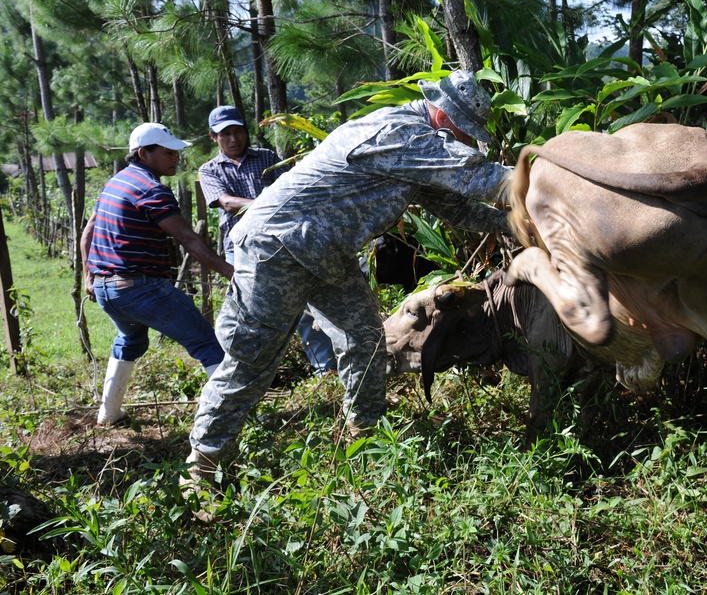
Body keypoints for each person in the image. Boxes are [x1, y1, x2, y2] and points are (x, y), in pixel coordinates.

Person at [184, 70, 511, 481]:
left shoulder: (416, 148)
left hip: (325, 253)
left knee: (364, 341)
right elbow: (481, 179)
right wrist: (550, 184)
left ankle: (365, 438)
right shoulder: (400, 133)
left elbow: (458, 208)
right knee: (253, 359)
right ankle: (202, 466)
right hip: (278, 249)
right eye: (466, 133)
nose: (466, 141)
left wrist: (516, 226)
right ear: (446, 119)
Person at [82, 122, 234, 427]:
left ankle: (108, 414)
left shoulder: (115, 183)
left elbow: (87, 232)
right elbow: (189, 239)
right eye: (168, 152)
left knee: (130, 340)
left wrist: (89, 277)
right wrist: (234, 273)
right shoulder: (151, 190)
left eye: (175, 152)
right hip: (140, 289)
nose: (175, 158)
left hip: (105, 289)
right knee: (208, 344)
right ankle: (228, 421)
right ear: (143, 153)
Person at [198, 105, 337, 377]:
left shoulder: (266, 157)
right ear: (213, 137)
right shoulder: (210, 170)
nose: (233, 139)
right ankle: (249, 373)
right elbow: (226, 203)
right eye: (225, 134)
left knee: (303, 306)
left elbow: (291, 191)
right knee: (249, 314)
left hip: (281, 243)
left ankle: (325, 370)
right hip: (240, 250)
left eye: (238, 131)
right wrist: (268, 204)